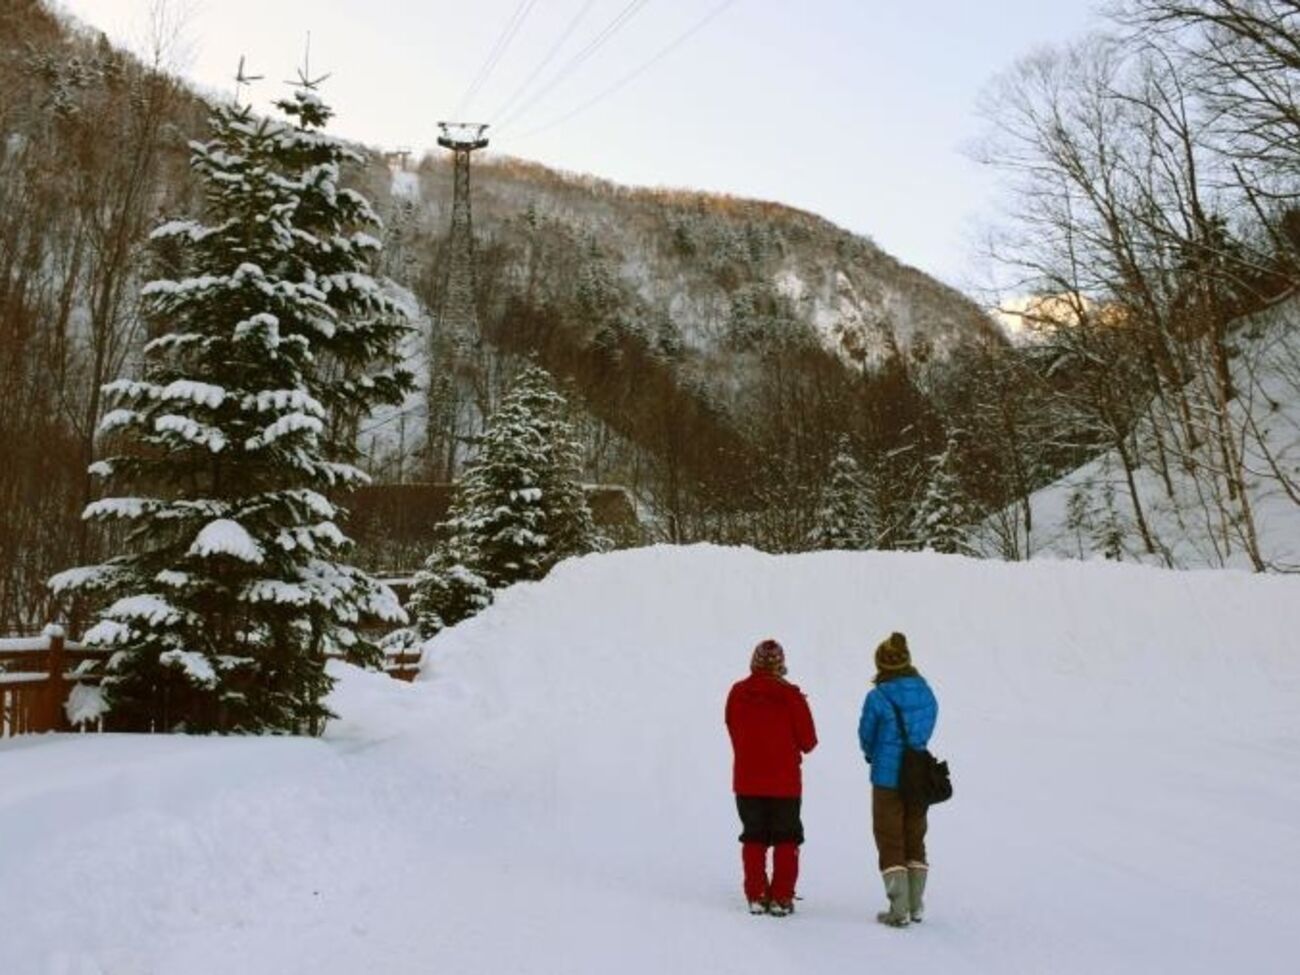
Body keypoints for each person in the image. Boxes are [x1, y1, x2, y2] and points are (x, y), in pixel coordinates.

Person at [725, 639, 818, 916]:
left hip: (747, 779)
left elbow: (731, 725)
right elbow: (809, 741)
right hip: (785, 782)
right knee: (787, 837)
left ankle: (756, 894)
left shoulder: (738, 693)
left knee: (753, 836)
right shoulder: (790, 696)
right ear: (780, 665)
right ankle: (781, 897)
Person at [857, 631, 938, 927]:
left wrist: (873, 754)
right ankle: (916, 905)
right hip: (918, 775)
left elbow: (866, 736)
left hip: (887, 778)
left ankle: (898, 909)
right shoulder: (926, 692)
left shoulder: (877, 697)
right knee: (915, 836)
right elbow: (927, 725)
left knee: (890, 838)